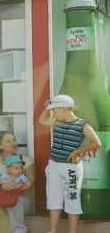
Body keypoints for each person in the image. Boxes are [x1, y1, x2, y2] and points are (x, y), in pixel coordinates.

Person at [38, 94, 101, 233]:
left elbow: (96, 143)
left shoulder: (82, 125)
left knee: (72, 199)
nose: (53, 113)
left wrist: (78, 152)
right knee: (53, 199)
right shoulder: (57, 121)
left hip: (71, 168)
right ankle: (52, 230)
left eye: (55, 110)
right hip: (54, 165)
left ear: (64, 108)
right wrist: (46, 108)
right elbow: (42, 121)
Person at [0, 131, 35, 233]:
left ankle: (19, 229)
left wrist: (15, 186)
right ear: (0, 146)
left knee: (14, 199)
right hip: (0, 197)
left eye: (14, 140)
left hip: (20, 200)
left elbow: (31, 183)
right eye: (8, 141)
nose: (13, 143)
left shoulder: (25, 160)